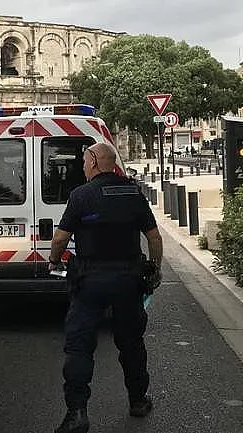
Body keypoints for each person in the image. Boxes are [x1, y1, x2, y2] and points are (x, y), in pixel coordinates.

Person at [48, 142, 163, 433]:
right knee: (131, 343)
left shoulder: (81, 196)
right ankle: (138, 400)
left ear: (95, 162)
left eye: (86, 161)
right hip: (128, 281)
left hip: (90, 283)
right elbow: (153, 237)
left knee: (79, 346)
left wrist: (54, 261)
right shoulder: (133, 193)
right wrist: (155, 267)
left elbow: (60, 239)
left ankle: (76, 414)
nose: (84, 167)